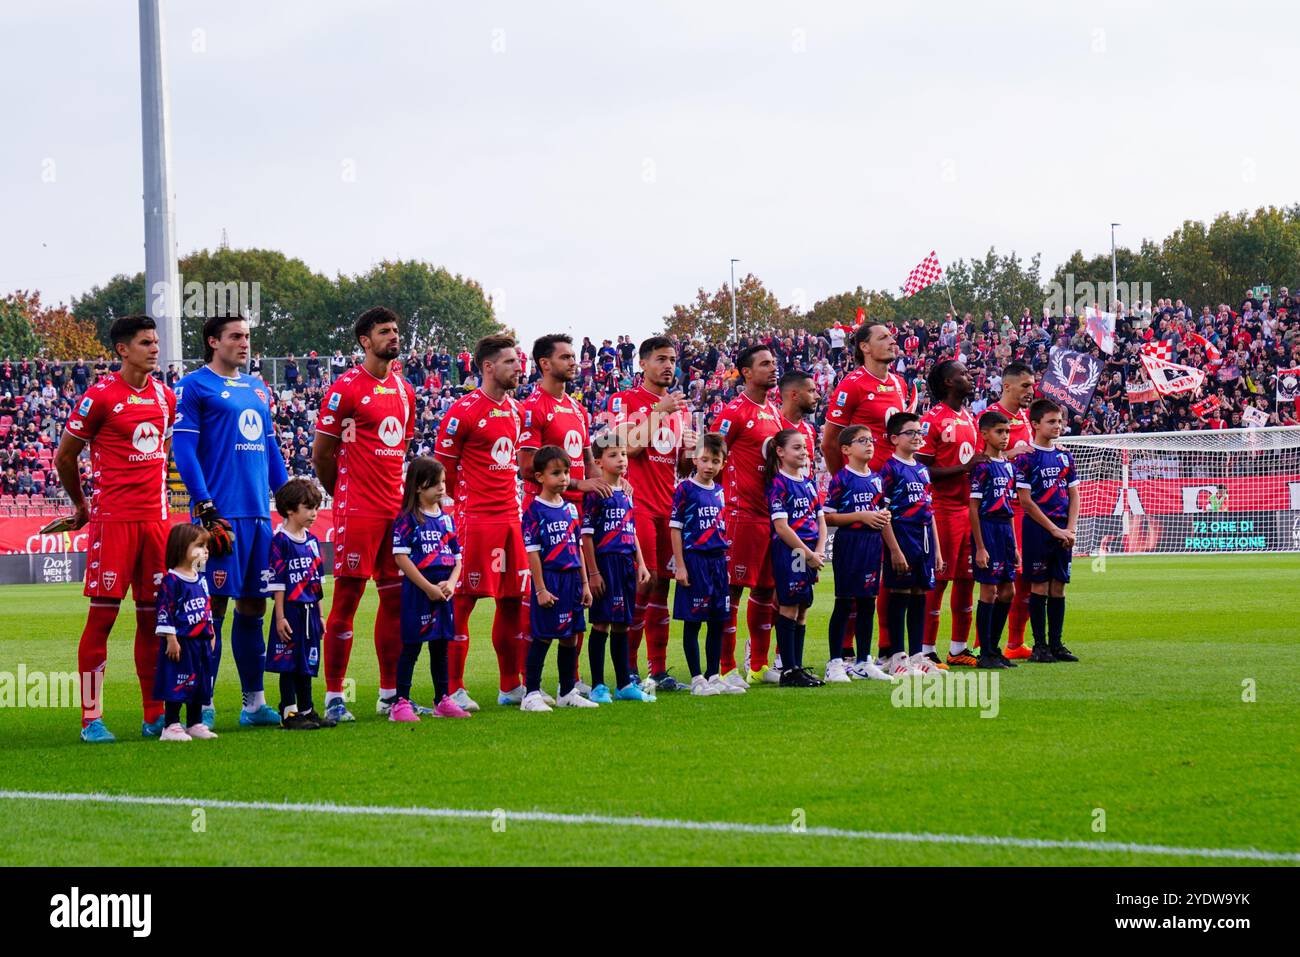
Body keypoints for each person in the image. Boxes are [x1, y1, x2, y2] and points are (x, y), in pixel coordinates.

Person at [54, 314, 175, 743]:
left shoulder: (165, 397)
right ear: (123, 350)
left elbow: (160, 450)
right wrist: (81, 504)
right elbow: (64, 457)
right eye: (146, 342)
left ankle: (153, 716)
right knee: (102, 619)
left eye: (156, 341)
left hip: (156, 523)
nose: (155, 348)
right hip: (113, 523)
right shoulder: (100, 397)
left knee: (153, 621)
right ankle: (92, 719)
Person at [172, 314, 288, 729]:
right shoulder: (192, 385)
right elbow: (184, 450)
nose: (244, 343)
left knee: (254, 606)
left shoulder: (258, 387)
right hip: (218, 517)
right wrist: (203, 504)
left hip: (258, 514)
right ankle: (201, 704)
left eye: (247, 337)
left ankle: (253, 703)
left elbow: (271, 449)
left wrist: (288, 496)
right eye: (236, 336)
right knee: (211, 609)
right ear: (213, 341)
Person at [313, 307, 417, 723]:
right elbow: (322, 452)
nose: (393, 337)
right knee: (347, 602)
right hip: (357, 511)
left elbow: (403, 449)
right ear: (364, 341)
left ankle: (389, 695)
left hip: (395, 511)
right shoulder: (347, 389)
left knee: (395, 603)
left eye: (395, 330)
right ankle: (335, 695)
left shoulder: (406, 390)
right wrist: (341, 493)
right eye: (384, 332)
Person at [435, 335, 530, 710]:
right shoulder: (464, 411)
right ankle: (453, 687)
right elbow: (445, 469)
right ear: (488, 367)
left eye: (518, 361)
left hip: (512, 519)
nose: (518, 368)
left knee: (511, 601)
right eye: (510, 362)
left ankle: (510, 685)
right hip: (475, 520)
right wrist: (467, 502)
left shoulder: (517, 411)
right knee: (463, 601)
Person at [822, 321, 917, 662]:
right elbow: (830, 441)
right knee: (856, 580)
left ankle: (886, 652)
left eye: (893, 337)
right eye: (883, 338)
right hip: (863, 497)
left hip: (893, 492)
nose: (893, 342)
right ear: (864, 347)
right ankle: (845, 654)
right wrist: (848, 482)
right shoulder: (852, 385)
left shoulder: (899, 383)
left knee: (891, 574)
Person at [517, 334, 605, 698]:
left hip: (576, 517)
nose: (574, 362)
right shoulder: (533, 408)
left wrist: (608, 485)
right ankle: (526, 686)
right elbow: (525, 467)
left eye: (574, 356)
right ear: (544, 364)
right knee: (543, 608)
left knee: (577, 603)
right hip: (543, 517)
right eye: (566, 357)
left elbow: (587, 464)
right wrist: (580, 486)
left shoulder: (577, 409)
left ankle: (569, 683)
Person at [610, 336, 696, 692]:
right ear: (642, 364)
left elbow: (686, 465)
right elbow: (624, 447)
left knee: (662, 588)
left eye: (672, 359)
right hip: (637, 505)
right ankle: (627, 669)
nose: (668, 365)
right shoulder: (625, 400)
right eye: (661, 358)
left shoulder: (685, 410)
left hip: (669, 506)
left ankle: (657, 670)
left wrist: (691, 453)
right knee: (640, 585)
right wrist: (659, 411)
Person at [710, 344, 782, 687]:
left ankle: (759, 665)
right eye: (765, 364)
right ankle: (725, 668)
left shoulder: (774, 412)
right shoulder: (734, 412)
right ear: (747, 373)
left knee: (767, 590)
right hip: (741, 513)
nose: (773, 368)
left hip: (770, 514)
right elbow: (708, 455)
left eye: (774, 362)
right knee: (733, 590)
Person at [389, 457, 469, 722]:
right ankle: (400, 702)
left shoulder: (447, 520)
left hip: (444, 593)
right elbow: (401, 558)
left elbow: (458, 558)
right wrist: (427, 587)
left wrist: (452, 583)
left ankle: (442, 699)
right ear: (418, 487)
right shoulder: (407, 519)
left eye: (443, 482)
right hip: (419, 593)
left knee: (440, 647)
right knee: (411, 647)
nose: (441, 488)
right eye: (434, 483)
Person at [520, 446, 595, 712]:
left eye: (566, 472)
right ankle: (530, 694)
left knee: (570, 637)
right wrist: (540, 588)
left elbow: (578, 549)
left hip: (572, 580)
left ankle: (566, 691)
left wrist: (585, 584)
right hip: (550, 579)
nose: (563, 478)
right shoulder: (533, 511)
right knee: (543, 637)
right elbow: (533, 554)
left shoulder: (571, 510)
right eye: (556, 473)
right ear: (540, 477)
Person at [581, 434, 655, 703]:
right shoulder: (596, 494)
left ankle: (624, 684)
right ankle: (598, 685)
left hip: (625, 563)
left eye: (623, 454)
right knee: (601, 624)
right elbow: (587, 536)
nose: (621, 459)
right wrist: (593, 572)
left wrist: (642, 563)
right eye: (613, 455)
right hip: (605, 562)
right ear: (599, 462)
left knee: (623, 624)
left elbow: (630, 528)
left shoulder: (626, 491)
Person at [916, 360, 978, 669]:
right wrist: (964, 469)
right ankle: (926, 650)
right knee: (938, 581)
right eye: (963, 375)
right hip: (942, 509)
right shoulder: (932, 420)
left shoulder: (970, 417)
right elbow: (921, 469)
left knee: (967, 580)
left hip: (969, 510)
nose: (970, 378)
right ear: (948, 383)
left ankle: (958, 649)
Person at [669, 432, 739, 696]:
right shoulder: (685, 489)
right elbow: (675, 528)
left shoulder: (720, 492)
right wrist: (681, 565)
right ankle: (697, 678)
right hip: (695, 559)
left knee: (717, 620)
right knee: (693, 621)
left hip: (717, 562)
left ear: (723, 463)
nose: (710, 465)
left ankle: (713, 675)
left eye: (715, 461)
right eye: (705, 460)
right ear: (695, 460)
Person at [823, 425, 893, 682]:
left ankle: (864, 660)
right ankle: (835, 662)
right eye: (861, 440)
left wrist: (884, 519)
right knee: (844, 601)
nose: (869, 444)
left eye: (871, 439)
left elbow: (882, 515)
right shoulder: (841, 478)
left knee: (867, 602)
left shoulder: (876, 479)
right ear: (846, 449)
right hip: (849, 543)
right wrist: (860, 516)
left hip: (872, 545)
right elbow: (828, 516)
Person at [879, 412, 946, 676]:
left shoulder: (921, 469)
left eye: (919, 432)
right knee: (901, 594)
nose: (918, 437)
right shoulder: (889, 469)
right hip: (902, 534)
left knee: (920, 594)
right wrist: (894, 549)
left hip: (925, 538)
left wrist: (938, 551)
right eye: (911, 433)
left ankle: (918, 655)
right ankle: (897, 657)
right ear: (895, 438)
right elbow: (883, 513)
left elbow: (929, 512)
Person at [265, 477, 334, 728]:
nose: (314, 514)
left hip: (310, 612)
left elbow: (317, 582)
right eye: (308, 508)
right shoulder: (280, 541)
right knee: (289, 663)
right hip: (291, 611)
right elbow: (279, 583)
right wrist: (280, 616)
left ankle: (307, 709)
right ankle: (289, 712)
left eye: (316, 508)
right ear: (290, 510)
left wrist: (321, 615)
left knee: (307, 662)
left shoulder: (314, 543)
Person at [978, 360, 1036, 658]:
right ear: (1007, 386)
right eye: (1025, 385)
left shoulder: (1026, 419)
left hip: (1025, 506)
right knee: (997, 580)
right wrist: (1010, 452)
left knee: (1023, 578)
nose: (1030, 390)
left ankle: (1014, 643)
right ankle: (983, 643)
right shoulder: (989, 419)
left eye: (1032, 385)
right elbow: (979, 460)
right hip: (1000, 509)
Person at [1016, 399, 1080, 663]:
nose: (1058, 426)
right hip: (1039, 530)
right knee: (1039, 586)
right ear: (1035, 424)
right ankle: (1039, 646)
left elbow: (1074, 495)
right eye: (1051, 421)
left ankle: (1056, 644)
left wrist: (1071, 530)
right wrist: (1055, 529)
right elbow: (1026, 502)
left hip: (1063, 531)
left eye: (1060, 421)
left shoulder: (1065, 456)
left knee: (1059, 587)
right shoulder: (1026, 458)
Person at [765, 428, 827, 687]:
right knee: (789, 607)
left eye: (805, 447)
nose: (804, 452)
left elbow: (820, 519)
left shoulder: (809, 482)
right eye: (797, 447)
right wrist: (809, 553)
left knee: (803, 607)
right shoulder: (779, 483)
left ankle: (797, 667)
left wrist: (820, 549)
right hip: (791, 552)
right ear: (780, 452)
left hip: (809, 552)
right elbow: (781, 527)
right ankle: (788, 670)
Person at [153, 523, 218, 742]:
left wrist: (211, 633)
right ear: (182, 548)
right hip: (181, 643)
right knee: (178, 682)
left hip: (201, 641)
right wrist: (171, 639)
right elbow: (165, 611)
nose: (205, 550)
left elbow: (206, 607)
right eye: (200, 545)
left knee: (199, 682)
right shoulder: (171, 581)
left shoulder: (201, 579)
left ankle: (195, 722)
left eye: (206, 546)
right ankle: (170, 725)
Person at [968, 410, 1020, 668]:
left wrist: (1015, 545)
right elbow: (973, 508)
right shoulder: (982, 467)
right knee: (988, 590)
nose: (1005, 436)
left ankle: (994, 647)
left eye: (1007, 431)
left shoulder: (1009, 466)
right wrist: (979, 546)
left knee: (1008, 590)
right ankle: (985, 651)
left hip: (1005, 531)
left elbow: (1009, 505)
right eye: (1000, 432)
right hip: (987, 528)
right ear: (985, 434)